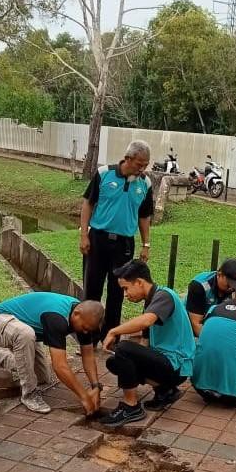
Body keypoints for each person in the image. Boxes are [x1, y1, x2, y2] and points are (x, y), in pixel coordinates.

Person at [100, 260, 196, 427]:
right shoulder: (151, 300)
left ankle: (131, 407)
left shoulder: (164, 296)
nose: (125, 294)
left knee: (123, 348)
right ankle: (165, 390)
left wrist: (114, 331)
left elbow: (145, 322)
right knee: (115, 361)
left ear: (139, 282)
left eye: (126, 288)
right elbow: (145, 341)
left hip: (177, 366)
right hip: (167, 364)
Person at [0, 292, 105, 414]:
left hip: (23, 329)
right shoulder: (57, 318)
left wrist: (96, 387)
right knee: (25, 334)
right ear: (77, 314)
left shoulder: (84, 318)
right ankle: (29, 395)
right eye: (84, 328)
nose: (84, 332)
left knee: (41, 377)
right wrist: (84, 396)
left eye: (88, 330)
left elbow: (88, 355)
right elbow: (60, 366)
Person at [80, 140, 154, 340]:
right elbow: (88, 203)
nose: (143, 169)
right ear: (128, 158)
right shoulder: (104, 173)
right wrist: (84, 234)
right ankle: (88, 338)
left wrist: (146, 244)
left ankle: (110, 338)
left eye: (146, 164)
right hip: (97, 239)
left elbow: (144, 216)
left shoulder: (145, 184)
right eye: (139, 164)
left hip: (124, 244)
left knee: (118, 291)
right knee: (92, 289)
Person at [185, 258, 236, 336]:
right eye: (229, 284)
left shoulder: (229, 288)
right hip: (188, 328)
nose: (231, 288)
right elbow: (196, 324)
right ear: (219, 274)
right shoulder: (199, 286)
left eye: (235, 286)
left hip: (211, 323)